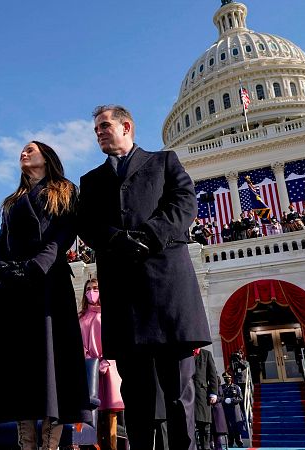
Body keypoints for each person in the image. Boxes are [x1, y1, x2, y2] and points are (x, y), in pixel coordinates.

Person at [77, 105, 211, 450]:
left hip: (168, 291)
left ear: (127, 126)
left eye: (105, 125)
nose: (99, 132)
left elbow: (183, 205)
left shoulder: (164, 162)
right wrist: (116, 240)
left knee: (179, 393)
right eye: (96, 129)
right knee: (136, 396)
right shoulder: (91, 181)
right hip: (124, 299)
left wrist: (148, 235)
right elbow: (87, 224)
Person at [0, 141, 91, 450]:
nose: (24, 152)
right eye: (22, 149)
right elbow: (2, 243)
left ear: (46, 157)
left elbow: (64, 233)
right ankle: (25, 442)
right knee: (19, 367)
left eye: (31, 149)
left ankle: (49, 445)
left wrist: (39, 265)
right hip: (15, 290)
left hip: (49, 285)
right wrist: (5, 271)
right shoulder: (12, 201)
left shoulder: (65, 190)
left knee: (52, 366)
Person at [78, 279, 124, 450]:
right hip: (89, 369)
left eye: (95, 288)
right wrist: (91, 360)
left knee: (110, 414)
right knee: (91, 413)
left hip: (109, 367)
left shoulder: (108, 314)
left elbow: (114, 338)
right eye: (88, 289)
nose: (92, 291)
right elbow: (79, 344)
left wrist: (105, 360)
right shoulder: (81, 317)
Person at [192, 349, 226, 450]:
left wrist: (213, 393)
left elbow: (213, 376)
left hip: (202, 395)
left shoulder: (206, 354)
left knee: (204, 425)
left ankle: (205, 447)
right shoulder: (184, 353)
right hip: (186, 394)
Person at [219, 373, 244, 448]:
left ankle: (239, 441)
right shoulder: (221, 387)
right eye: (225, 378)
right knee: (228, 426)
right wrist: (224, 400)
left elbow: (240, 398)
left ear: (231, 378)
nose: (227, 379)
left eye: (228, 378)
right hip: (226, 409)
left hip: (235, 409)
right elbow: (219, 397)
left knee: (236, 426)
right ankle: (230, 441)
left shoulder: (236, 387)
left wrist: (232, 400)